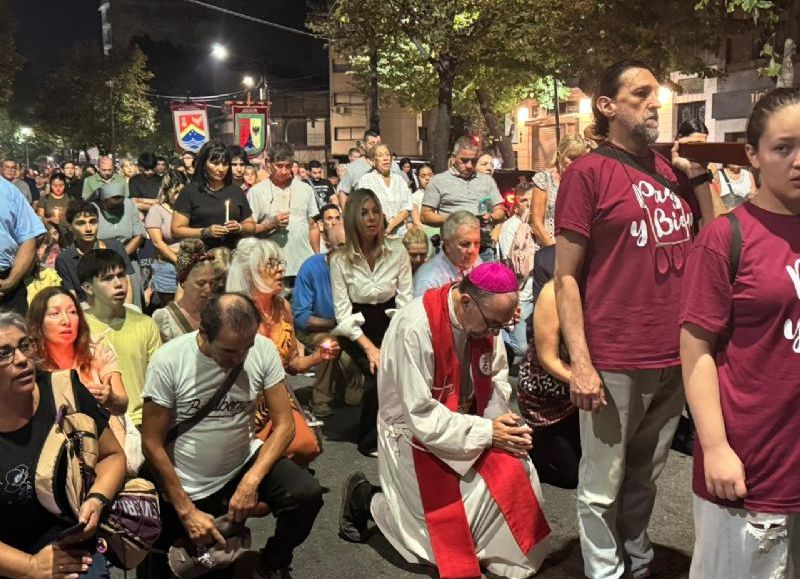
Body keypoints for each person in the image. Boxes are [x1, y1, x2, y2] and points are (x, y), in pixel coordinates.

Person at [554, 60, 715, 579]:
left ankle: (637, 558)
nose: (654, 102)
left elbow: (714, 241)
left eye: (657, 95)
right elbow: (566, 277)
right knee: (603, 481)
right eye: (640, 93)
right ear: (607, 106)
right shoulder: (587, 173)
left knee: (647, 475)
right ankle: (604, 570)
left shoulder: (671, 171)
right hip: (614, 356)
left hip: (673, 353)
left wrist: (704, 177)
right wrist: (579, 361)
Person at [339, 263, 550, 579]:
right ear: (466, 302)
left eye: (501, 327)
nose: (494, 334)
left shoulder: (483, 323)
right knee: (434, 543)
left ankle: (487, 547)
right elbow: (421, 414)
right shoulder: (415, 327)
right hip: (413, 435)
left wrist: (503, 425)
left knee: (518, 468)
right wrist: (487, 431)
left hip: (467, 426)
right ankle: (367, 499)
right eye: (492, 324)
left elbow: (496, 379)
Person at [680, 88, 800, 579]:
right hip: (750, 468)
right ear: (752, 155)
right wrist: (717, 448)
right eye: (783, 148)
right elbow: (696, 352)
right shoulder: (726, 238)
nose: (798, 161)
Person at [140, 293, 324, 579]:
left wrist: (252, 480)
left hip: (240, 462)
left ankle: (271, 562)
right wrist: (185, 509)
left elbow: (285, 424)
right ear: (203, 333)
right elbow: (151, 442)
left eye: (245, 349)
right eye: (229, 351)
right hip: (187, 478)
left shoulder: (261, 349)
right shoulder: (170, 361)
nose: (238, 358)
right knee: (181, 567)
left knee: (305, 494)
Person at [0, 311, 125, 578]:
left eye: (24, 346)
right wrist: (31, 567)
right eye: (4, 353)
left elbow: (113, 456)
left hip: (74, 552)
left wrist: (97, 498)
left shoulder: (63, 391)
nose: (22, 360)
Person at [331, 189, 412, 455]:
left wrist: (395, 340)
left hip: (391, 320)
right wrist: (370, 348)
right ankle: (370, 440)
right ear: (353, 218)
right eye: (364, 213)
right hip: (355, 326)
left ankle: (399, 430)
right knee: (376, 372)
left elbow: (405, 303)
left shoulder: (398, 251)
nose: (371, 218)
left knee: (398, 370)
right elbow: (342, 315)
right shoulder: (340, 259)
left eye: (376, 211)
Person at [225, 238, 340, 425]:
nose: (280, 269)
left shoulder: (283, 307)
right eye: (271, 263)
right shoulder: (233, 313)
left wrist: (319, 356)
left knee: (304, 447)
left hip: (277, 407)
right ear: (249, 272)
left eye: (280, 262)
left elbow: (293, 364)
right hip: (239, 410)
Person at [517, 245, 580, 489]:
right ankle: (529, 454)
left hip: (575, 396)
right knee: (571, 477)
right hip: (545, 394)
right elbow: (548, 359)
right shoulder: (551, 293)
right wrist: (588, 378)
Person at [79, 249, 162, 428]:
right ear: (87, 287)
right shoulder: (78, 327)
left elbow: (158, 381)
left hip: (141, 422)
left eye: (121, 275)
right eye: (107, 278)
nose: (119, 284)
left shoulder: (145, 324)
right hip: (99, 425)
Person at [293, 204, 352, 417]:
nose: (347, 253)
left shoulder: (356, 267)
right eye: (341, 246)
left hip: (348, 327)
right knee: (329, 342)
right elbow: (301, 319)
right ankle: (320, 399)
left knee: (354, 399)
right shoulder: (311, 267)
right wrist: (336, 322)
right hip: (316, 329)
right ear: (329, 244)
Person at [247, 142, 321, 289]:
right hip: (272, 266)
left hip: (303, 263)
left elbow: (313, 226)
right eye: (279, 166)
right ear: (268, 164)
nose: (284, 171)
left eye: (288, 166)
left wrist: (317, 258)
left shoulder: (305, 189)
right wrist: (269, 225)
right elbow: (248, 228)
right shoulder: (256, 192)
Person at [421, 136, 506, 263]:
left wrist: (490, 216)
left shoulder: (486, 181)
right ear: (454, 157)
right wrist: (453, 219)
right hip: (452, 251)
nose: (469, 166)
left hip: (483, 250)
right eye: (464, 160)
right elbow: (425, 216)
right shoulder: (439, 181)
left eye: (473, 161)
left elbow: (500, 211)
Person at [171, 140, 256, 251]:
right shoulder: (190, 192)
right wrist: (205, 232)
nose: (221, 169)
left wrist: (239, 227)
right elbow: (176, 230)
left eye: (225, 164)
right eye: (215, 163)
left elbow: (251, 225)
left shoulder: (236, 191)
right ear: (203, 165)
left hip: (231, 258)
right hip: (201, 258)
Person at [55, 200, 134, 305]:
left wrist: (127, 313)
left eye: (93, 222)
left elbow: (126, 285)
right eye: (81, 223)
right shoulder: (65, 259)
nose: (88, 229)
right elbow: (72, 298)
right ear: (70, 227)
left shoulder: (115, 247)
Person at [152, 239, 218, 342]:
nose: (208, 289)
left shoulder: (217, 312)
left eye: (213, 283)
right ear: (184, 282)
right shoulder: (166, 318)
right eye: (201, 283)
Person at [93, 181, 146, 310]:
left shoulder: (129, 205)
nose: (116, 208)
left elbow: (139, 234)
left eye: (119, 204)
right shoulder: (93, 208)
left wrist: (121, 255)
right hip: (100, 258)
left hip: (126, 256)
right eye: (111, 205)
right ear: (103, 201)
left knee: (133, 289)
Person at [497, 183, 535, 358]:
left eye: (532, 201)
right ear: (517, 204)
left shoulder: (539, 226)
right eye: (525, 201)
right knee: (520, 348)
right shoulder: (511, 226)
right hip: (519, 295)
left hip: (534, 293)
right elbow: (512, 264)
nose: (529, 205)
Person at [531, 134, 587, 247]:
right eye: (571, 158)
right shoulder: (544, 179)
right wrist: (553, 248)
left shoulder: (583, 182)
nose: (575, 163)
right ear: (559, 154)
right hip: (549, 248)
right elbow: (537, 224)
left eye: (579, 159)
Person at [0, 178, 46, 315]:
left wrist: (10, 282)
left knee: (17, 333)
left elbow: (28, 238)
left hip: (8, 286)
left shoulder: (8, 190)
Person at [413, 211, 481, 297]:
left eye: (477, 243)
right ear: (447, 244)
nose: (472, 250)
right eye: (464, 244)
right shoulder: (428, 280)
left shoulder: (475, 261)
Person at [145, 170, 184, 306]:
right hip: (167, 267)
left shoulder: (188, 210)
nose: (180, 196)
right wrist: (179, 261)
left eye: (182, 192)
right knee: (171, 310)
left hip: (189, 264)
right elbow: (158, 243)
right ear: (167, 191)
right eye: (176, 192)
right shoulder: (157, 210)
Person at [357, 143, 413, 238]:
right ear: (374, 161)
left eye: (387, 155)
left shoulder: (399, 180)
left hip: (400, 235)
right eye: (380, 155)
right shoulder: (366, 180)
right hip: (376, 234)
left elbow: (407, 207)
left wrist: (392, 225)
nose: (385, 158)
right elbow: (364, 207)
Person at [338, 130, 381, 206]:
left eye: (378, 143)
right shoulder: (353, 167)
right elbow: (343, 192)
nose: (375, 147)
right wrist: (347, 215)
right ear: (364, 144)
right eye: (371, 143)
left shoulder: (390, 165)